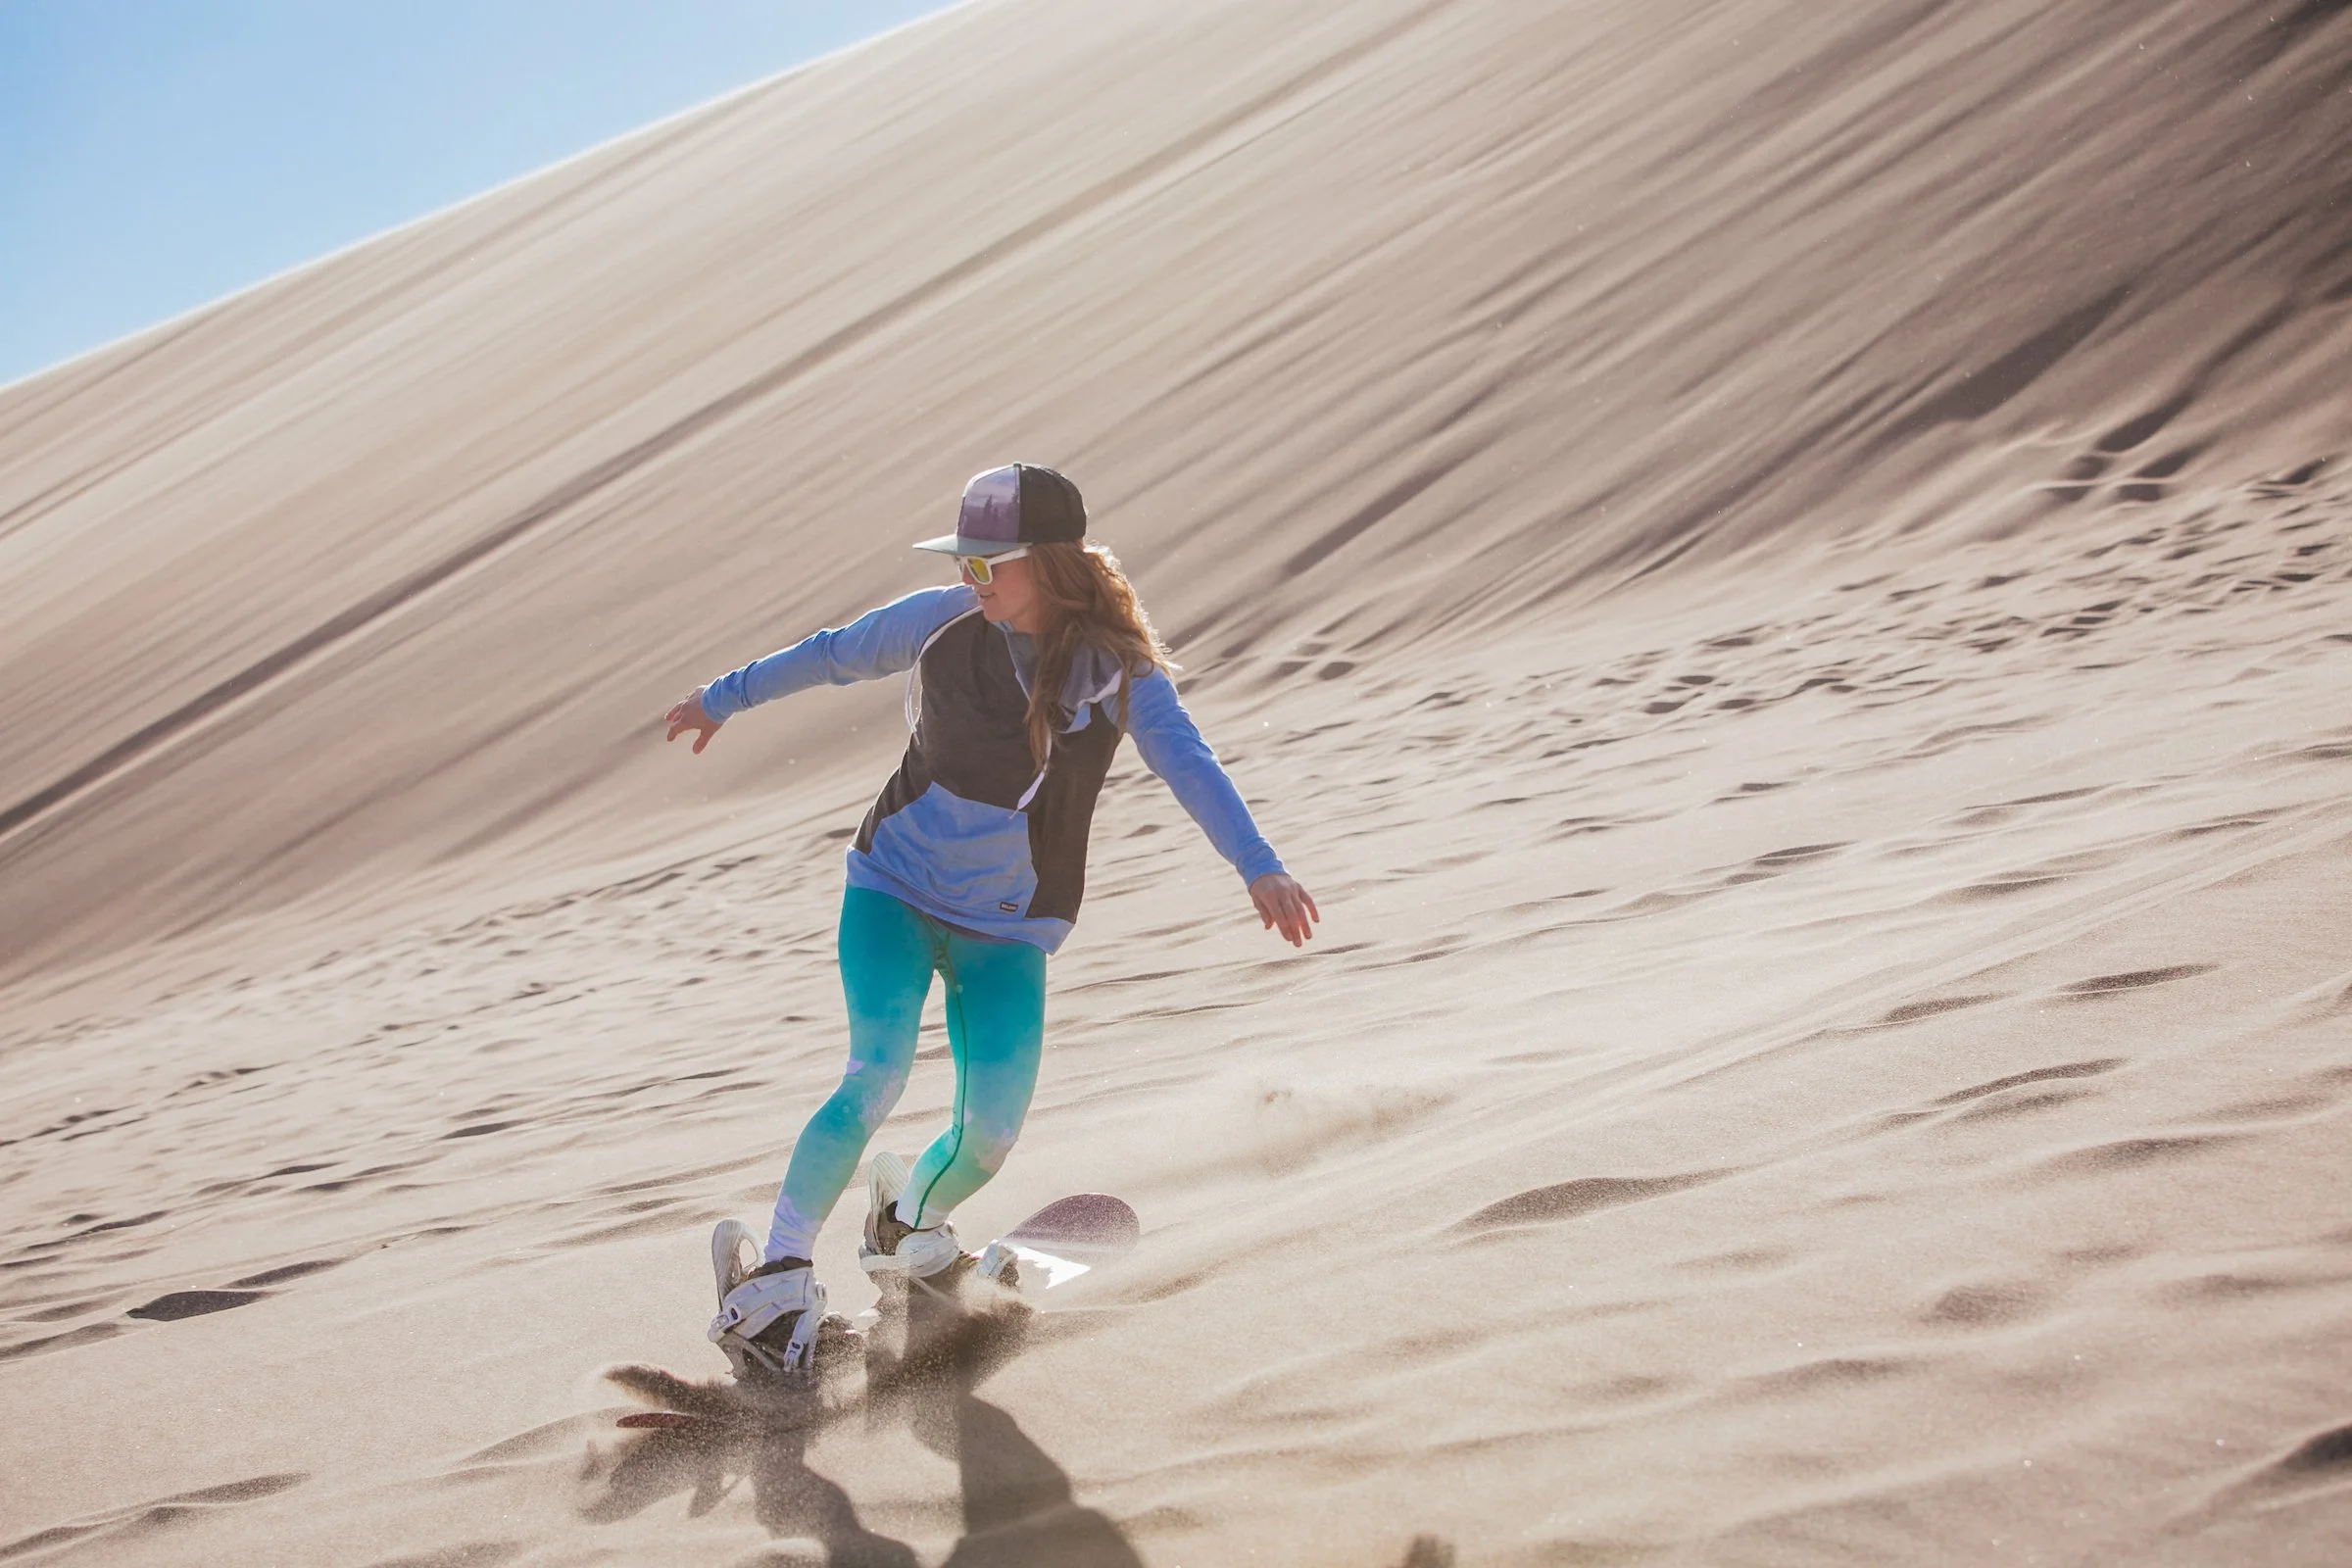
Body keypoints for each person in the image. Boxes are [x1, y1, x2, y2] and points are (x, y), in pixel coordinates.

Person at [665, 463, 1317, 1378]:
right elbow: (830, 652)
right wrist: (722, 698)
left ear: (1047, 564)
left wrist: (1259, 865)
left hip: (1008, 930)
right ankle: (772, 1280)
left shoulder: (1116, 674)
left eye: (989, 565)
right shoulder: (937, 624)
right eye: (964, 564)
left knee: (992, 1135)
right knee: (874, 1076)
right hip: (890, 890)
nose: (971, 581)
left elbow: (1189, 762)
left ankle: (907, 1227)